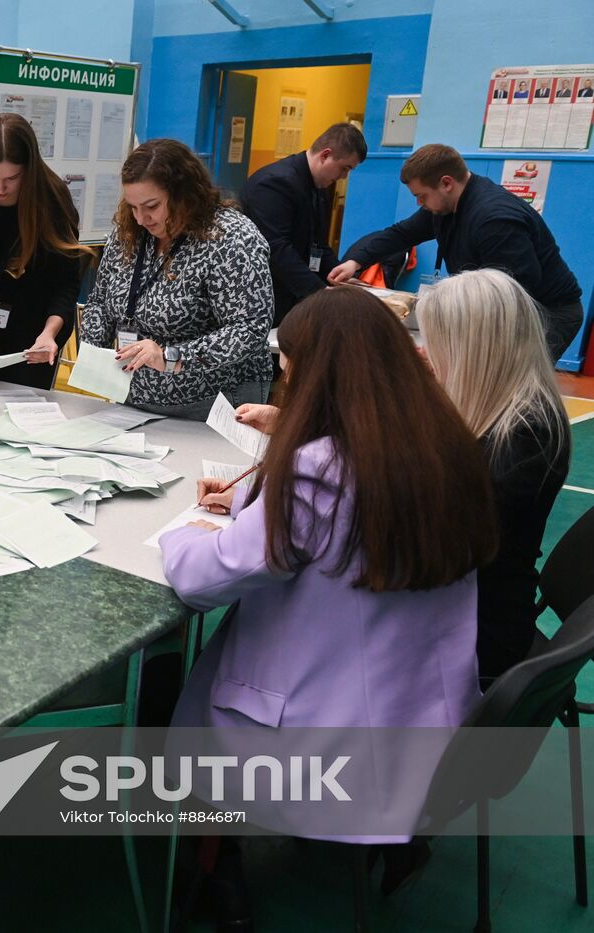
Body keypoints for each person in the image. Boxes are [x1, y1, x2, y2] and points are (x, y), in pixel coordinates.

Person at [162, 288, 497, 914]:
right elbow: (335, 521)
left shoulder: (318, 469)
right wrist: (248, 500)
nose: (285, 382)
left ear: (318, 375)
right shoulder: (444, 443)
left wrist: (180, 533)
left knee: (185, 713)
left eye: (289, 370)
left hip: (324, 735)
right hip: (420, 716)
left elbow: (206, 578)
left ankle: (213, 870)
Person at [417, 270, 571, 681]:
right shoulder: (505, 407)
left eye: (437, 343)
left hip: (477, 636)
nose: (427, 354)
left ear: (473, 350)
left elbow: (429, 532)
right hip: (465, 607)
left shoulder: (527, 436)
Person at [328, 144, 584, 360]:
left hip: (543, 314)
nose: (419, 203)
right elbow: (401, 234)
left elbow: (512, 293)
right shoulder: (445, 205)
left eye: (422, 196)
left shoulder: (494, 220)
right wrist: (356, 261)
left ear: (446, 183)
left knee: (507, 387)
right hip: (503, 306)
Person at [79, 138, 273, 420]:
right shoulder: (129, 232)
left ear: (184, 194)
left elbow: (249, 328)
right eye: (132, 207)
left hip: (211, 403)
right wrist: (94, 351)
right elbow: (100, 301)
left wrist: (174, 356)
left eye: (151, 206)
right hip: (133, 398)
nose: (141, 218)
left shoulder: (231, 238)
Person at [0, 113, 88, 390]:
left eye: (12, 178)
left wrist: (50, 333)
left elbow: (66, 284)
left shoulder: (53, 200)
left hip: (34, 340)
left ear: (30, 169)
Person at [241, 122, 367, 324]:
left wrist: (339, 276)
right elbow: (276, 248)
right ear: (325, 155)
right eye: (344, 168)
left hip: (293, 296)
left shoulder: (318, 187)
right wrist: (319, 293)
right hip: (263, 299)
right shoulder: (275, 183)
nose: (344, 176)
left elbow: (318, 245)